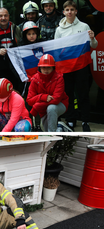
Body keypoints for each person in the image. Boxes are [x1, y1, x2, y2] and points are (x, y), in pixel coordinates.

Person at [54, 0, 98, 132]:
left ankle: (85, 121)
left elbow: (94, 46)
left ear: (76, 11)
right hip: (66, 68)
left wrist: (92, 38)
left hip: (81, 66)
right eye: (67, 10)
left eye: (72, 10)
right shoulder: (59, 29)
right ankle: (71, 120)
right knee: (68, 95)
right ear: (63, 12)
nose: (69, 12)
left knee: (83, 94)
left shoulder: (84, 26)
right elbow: (56, 49)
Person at [27, 54, 71, 132]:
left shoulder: (59, 78)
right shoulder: (34, 79)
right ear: (40, 68)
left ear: (53, 67)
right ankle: (62, 128)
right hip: (43, 108)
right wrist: (42, 97)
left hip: (60, 104)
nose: (46, 70)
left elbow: (56, 99)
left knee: (51, 108)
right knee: (47, 130)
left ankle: (52, 137)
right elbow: (29, 100)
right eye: (43, 67)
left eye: (48, 67)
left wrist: (37, 105)